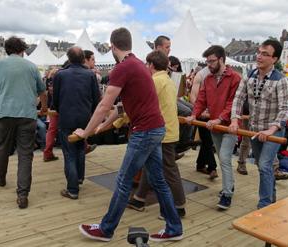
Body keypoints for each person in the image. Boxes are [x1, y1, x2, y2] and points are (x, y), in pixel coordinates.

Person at [76, 27, 183, 242]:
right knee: (159, 181)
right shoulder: (140, 66)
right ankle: (174, 227)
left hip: (145, 132)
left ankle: (106, 229)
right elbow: (121, 107)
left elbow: (104, 105)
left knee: (124, 180)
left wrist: (85, 133)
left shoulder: (123, 68)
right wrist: (103, 126)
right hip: (156, 129)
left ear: (112, 46)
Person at [229, 39, 288, 209]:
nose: (260, 57)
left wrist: (272, 128)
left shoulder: (281, 80)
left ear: (274, 59)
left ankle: (264, 204)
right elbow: (238, 98)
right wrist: (235, 119)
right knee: (262, 165)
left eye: (265, 54)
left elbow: (285, 108)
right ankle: (271, 196)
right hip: (254, 129)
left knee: (264, 165)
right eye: (259, 52)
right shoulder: (249, 75)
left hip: (274, 130)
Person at [127, 50, 186, 217]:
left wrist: (118, 119)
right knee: (150, 164)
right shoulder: (166, 80)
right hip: (167, 130)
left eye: (147, 64)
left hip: (163, 132)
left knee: (169, 169)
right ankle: (139, 198)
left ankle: (179, 206)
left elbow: (141, 105)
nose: (146, 66)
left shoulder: (154, 81)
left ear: (151, 65)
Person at [0, 36, 47, 209]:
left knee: (2, 147)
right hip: (27, 114)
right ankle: (22, 195)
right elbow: (42, 91)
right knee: (25, 154)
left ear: (7, 49)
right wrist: (44, 108)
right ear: (22, 50)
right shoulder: (31, 66)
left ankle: (0, 177)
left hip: (4, 113)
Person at [186, 45, 241, 210]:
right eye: (207, 61)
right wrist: (194, 114)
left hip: (230, 126)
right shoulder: (208, 79)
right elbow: (201, 99)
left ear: (221, 59)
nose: (208, 65)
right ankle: (229, 185)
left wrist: (220, 118)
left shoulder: (235, 78)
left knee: (224, 158)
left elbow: (233, 103)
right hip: (214, 127)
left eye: (211, 61)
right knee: (222, 159)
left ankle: (226, 194)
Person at [53, 46, 101, 200]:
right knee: (80, 149)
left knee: (69, 154)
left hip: (66, 118)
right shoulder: (90, 75)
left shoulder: (60, 75)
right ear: (82, 58)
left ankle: (72, 189)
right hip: (84, 118)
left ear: (68, 58)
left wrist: (60, 110)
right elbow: (96, 99)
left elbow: (56, 100)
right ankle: (79, 178)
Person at [190, 66, 218, 178]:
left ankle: (200, 164)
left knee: (207, 141)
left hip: (214, 114)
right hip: (202, 114)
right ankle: (212, 167)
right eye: (209, 61)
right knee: (208, 140)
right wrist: (199, 112)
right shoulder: (201, 75)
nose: (211, 63)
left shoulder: (222, 74)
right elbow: (193, 95)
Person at [43, 68, 59, 162]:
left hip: (53, 108)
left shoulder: (49, 83)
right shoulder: (60, 82)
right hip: (62, 108)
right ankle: (84, 146)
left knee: (52, 130)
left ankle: (48, 153)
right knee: (74, 126)